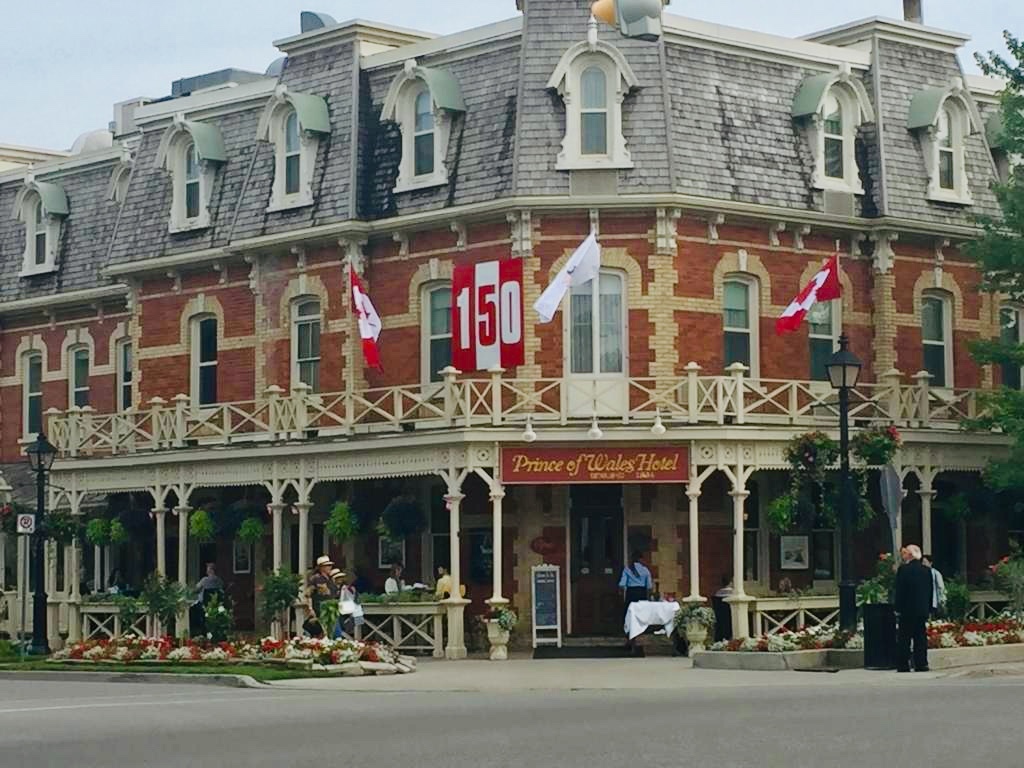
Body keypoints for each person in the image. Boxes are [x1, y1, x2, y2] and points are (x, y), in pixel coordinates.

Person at [894, 544, 933, 672]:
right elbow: (929, 591)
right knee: (920, 637)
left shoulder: (903, 570)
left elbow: (899, 591)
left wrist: (897, 607)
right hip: (921, 610)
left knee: (904, 638)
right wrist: (928, 608)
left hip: (907, 609)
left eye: (905, 553)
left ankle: (903, 664)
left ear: (910, 555)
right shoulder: (926, 570)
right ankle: (921, 663)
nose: (903, 555)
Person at [305, 555, 338, 637]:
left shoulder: (331, 579)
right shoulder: (315, 579)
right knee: (324, 630)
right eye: (327, 565)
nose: (330, 567)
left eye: (330, 565)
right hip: (320, 608)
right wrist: (310, 608)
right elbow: (308, 594)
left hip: (332, 608)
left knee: (333, 630)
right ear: (321, 567)